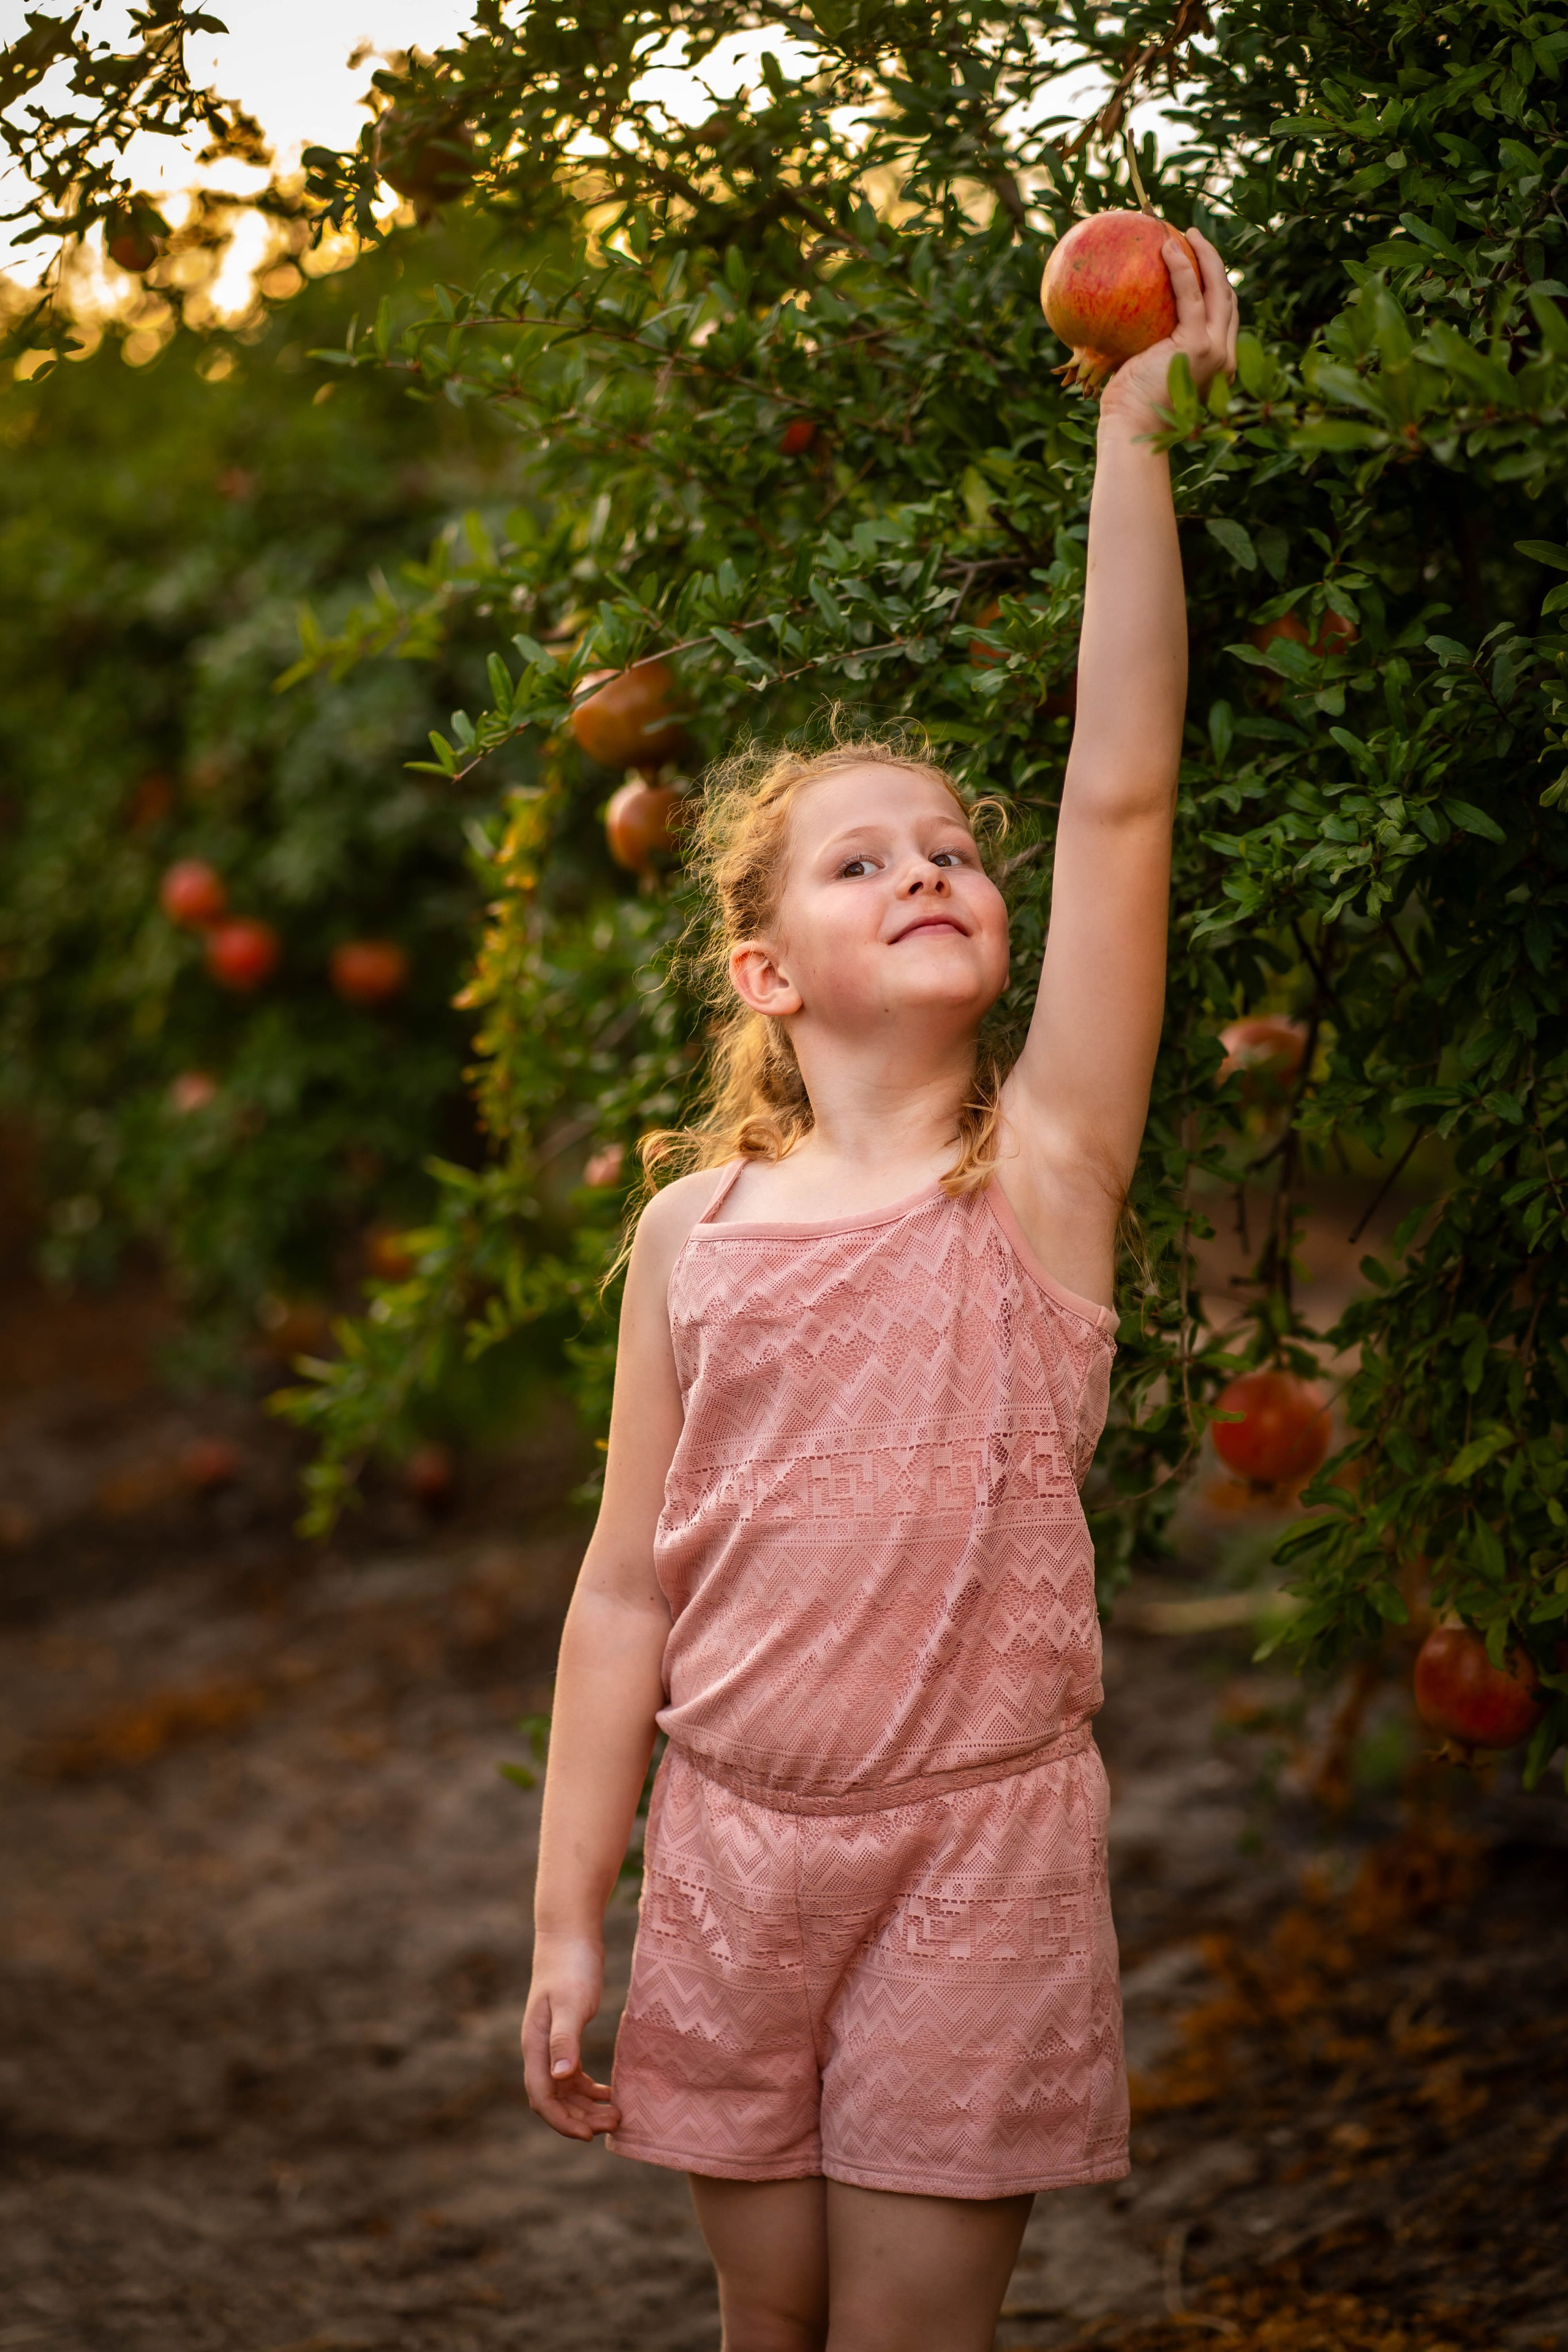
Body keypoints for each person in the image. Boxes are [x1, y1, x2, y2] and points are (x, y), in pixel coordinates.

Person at [521, 230, 1238, 2352]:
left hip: (974, 1858)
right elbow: (625, 1595)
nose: (930, 866)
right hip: (735, 1858)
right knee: (771, 2333)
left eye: (950, 846)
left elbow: (1119, 798)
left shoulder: (1038, 1177)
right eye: (865, 859)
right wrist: (574, 1920)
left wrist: (1132, 442)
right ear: (764, 969)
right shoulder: (690, 1239)